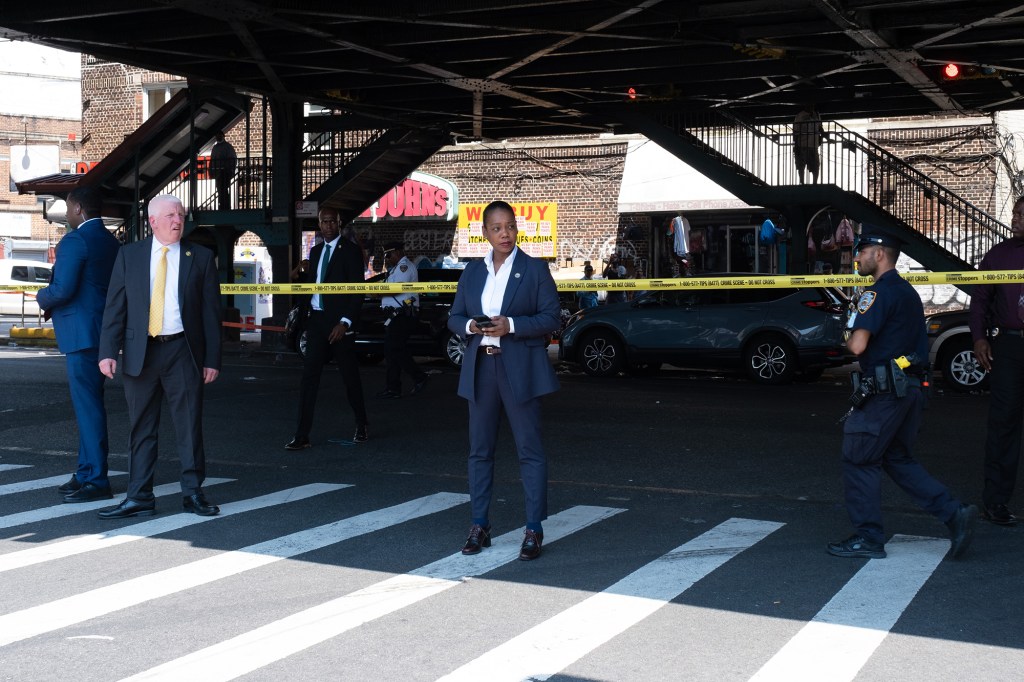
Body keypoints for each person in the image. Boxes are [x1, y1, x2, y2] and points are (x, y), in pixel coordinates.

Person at [828, 228, 977, 559]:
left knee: (859, 456)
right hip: (910, 389)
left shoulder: (877, 293)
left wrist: (845, 331)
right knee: (896, 458)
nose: (856, 257)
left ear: (879, 254)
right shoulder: (908, 292)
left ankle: (868, 538)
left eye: (861, 251)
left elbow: (857, 345)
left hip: (884, 392)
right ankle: (955, 514)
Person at [96, 194, 223, 518]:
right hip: (142, 352)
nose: (177, 220)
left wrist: (212, 359)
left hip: (183, 351)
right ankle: (139, 495)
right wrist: (108, 351)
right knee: (141, 427)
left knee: (189, 425)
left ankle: (193, 494)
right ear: (152, 221)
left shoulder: (201, 257)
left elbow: (211, 313)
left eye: (180, 215)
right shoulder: (130, 256)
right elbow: (115, 308)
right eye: (169, 215)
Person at [448, 200, 561, 561]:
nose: (505, 234)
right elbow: (455, 316)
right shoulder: (472, 272)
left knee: (529, 450)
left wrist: (510, 325)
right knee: (479, 451)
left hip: (519, 369)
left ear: (518, 228)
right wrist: (471, 326)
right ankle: (480, 523)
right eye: (496, 228)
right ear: (485, 233)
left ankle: (533, 529)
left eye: (510, 226)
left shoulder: (534, 269)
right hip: (482, 367)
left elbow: (551, 318)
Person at [37, 186, 121, 503]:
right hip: (103, 333)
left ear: (79, 209)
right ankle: (86, 471)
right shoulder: (111, 242)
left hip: (82, 335)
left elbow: (61, 289)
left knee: (88, 408)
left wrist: (40, 297)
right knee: (91, 405)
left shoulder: (75, 240)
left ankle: (97, 478)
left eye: (69, 208)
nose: (67, 214)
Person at [284, 206, 369, 449]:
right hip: (317, 322)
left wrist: (345, 322)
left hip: (340, 324)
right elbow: (312, 286)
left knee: (350, 377)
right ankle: (301, 435)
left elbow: (357, 292)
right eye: (324, 221)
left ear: (340, 223)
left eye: (333, 221)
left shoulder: (351, 252)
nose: (328, 225)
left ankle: (361, 424)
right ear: (319, 224)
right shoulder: (315, 251)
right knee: (308, 379)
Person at [969, 195, 1024, 526]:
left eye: (1022, 214)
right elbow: (980, 300)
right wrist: (979, 337)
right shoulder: (998, 256)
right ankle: (995, 502)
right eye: (1015, 213)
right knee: (1003, 425)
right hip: (1010, 348)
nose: (1015, 218)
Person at [376, 242, 429, 399]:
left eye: (389, 255)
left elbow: (396, 288)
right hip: (396, 316)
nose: (387, 259)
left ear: (398, 252)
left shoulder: (403, 267)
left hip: (402, 315)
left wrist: (376, 292)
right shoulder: (395, 269)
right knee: (393, 351)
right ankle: (393, 387)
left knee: (395, 349)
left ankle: (418, 377)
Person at [793, 104, 824, 184]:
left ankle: (814, 183)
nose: (811, 107)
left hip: (814, 145)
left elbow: (820, 128)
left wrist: (822, 136)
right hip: (802, 145)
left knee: (816, 165)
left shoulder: (817, 115)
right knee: (801, 166)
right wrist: (796, 145)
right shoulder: (799, 116)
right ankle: (802, 182)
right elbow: (795, 132)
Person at [209, 131, 237, 210]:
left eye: (219, 136)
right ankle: (221, 205)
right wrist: (211, 171)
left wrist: (230, 170)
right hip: (217, 172)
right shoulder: (215, 148)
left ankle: (226, 206)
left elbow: (233, 159)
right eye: (217, 136)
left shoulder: (228, 147)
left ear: (223, 136)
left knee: (223, 189)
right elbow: (212, 160)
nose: (218, 137)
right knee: (220, 189)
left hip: (225, 172)